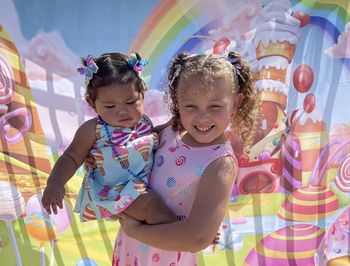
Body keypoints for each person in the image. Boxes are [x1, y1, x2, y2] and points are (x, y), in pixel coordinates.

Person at [112, 51, 260, 265]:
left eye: (215, 106)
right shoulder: (167, 132)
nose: (202, 117)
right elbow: (129, 150)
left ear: (235, 104)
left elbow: (198, 237)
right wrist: (99, 158)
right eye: (191, 106)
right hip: (130, 252)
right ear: (177, 101)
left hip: (166, 258)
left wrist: (138, 232)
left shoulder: (220, 163)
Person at [41, 52, 176, 225]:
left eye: (130, 102)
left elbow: (153, 136)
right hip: (116, 193)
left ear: (143, 93)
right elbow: (71, 157)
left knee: (169, 202)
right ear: (92, 103)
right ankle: (181, 235)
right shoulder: (92, 130)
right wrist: (55, 182)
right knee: (157, 211)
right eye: (110, 106)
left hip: (144, 186)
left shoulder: (144, 122)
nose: (122, 111)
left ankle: (183, 232)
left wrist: (174, 124)